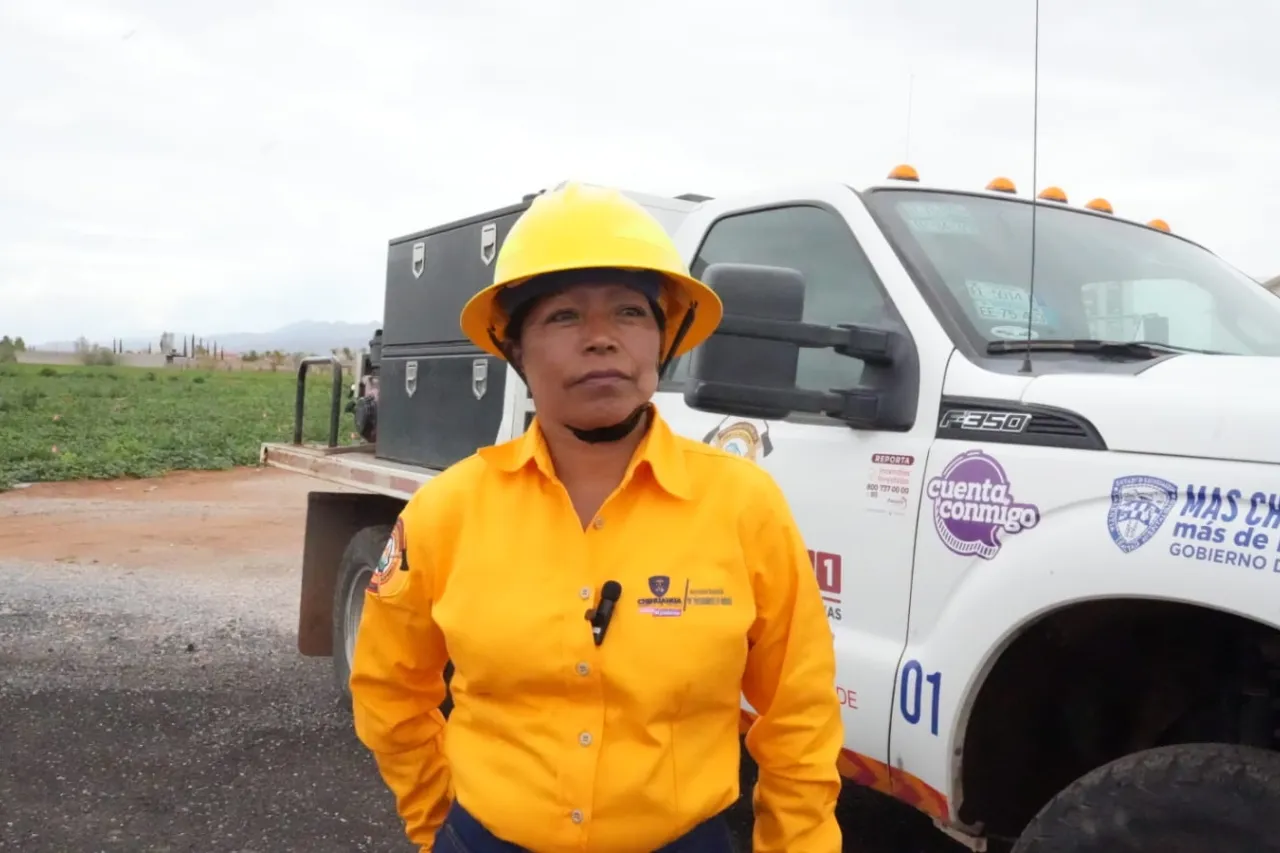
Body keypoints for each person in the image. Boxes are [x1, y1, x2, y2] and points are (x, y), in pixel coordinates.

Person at [349, 182, 844, 853]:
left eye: (631, 313)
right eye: (563, 317)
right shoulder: (448, 513)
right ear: (513, 345)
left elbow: (799, 715)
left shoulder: (743, 507)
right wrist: (438, 822)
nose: (602, 340)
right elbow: (389, 689)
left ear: (663, 340)